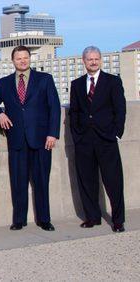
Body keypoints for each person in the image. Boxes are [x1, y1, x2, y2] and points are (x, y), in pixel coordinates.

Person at [0, 45, 61, 231]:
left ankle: (44, 219)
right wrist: (0, 113)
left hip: (41, 139)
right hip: (16, 140)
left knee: (41, 180)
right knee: (18, 181)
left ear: (30, 59)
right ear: (13, 61)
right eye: (18, 58)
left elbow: (54, 107)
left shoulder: (45, 80)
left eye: (25, 57)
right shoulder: (4, 82)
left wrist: (52, 133)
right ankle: (19, 220)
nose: (22, 61)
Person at [69, 46, 126, 232]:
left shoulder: (112, 81)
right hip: (84, 140)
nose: (93, 62)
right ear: (83, 61)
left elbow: (120, 109)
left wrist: (116, 132)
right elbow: (74, 112)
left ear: (100, 60)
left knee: (113, 181)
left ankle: (118, 220)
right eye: (89, 59)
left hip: (106, 139)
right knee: (87, 180)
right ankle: (92, 217)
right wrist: (77, 136)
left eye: (96, 59)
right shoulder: (76, 84)